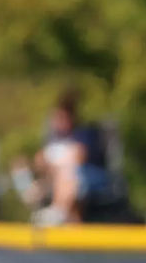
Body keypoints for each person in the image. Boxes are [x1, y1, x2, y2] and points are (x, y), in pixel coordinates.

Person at [12, 88, 110, 226]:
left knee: (67, 174)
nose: (57, 122)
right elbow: (39, 161)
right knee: (22, 168)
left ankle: (57, 213)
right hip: (54, 179)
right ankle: (50, 210)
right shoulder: (52, 140)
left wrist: (56, 165)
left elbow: (79, 157)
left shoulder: (82, 134)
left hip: (85, 178)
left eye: (60, 118)